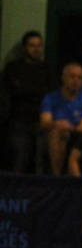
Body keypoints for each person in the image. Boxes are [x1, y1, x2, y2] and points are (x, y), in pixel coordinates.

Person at [2, 30, 58, 173]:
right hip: (19, 121)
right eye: (32, 45)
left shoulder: (48, 69)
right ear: (24, 47)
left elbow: (50, 93)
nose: (36, 49)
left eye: (39, 46)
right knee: (19, 160)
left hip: (41, 122)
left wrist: (25, 88)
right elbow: (14, 90)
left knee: (40, 163)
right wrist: (37, 90)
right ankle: (15, 195)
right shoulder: (13, 68)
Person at [40, 62, 82, 175]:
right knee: (57, 133)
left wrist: (68, 127)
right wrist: (57, 124)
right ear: (63, 78)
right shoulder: (50, 98)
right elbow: (44, 122)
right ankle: (57, 176)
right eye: (72, 76)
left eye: (79, 77)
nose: (76, 80)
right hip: (56, 134)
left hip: (78, 135)